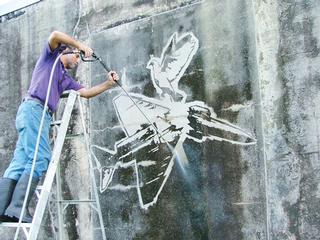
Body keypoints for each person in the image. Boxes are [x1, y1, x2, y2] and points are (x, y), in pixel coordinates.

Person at [0, 31, 119, 223]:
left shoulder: (65, 79)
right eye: (77, 56)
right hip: (34, 109)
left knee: (21, 162)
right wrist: (81, 45)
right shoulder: (50, 58)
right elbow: (55, 35)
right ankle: (18, 208)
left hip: (33, 113)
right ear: (66, 52)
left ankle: (3, 208)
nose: (79, 60)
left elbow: (86, 93)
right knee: (40, 157)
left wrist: (108, 84)